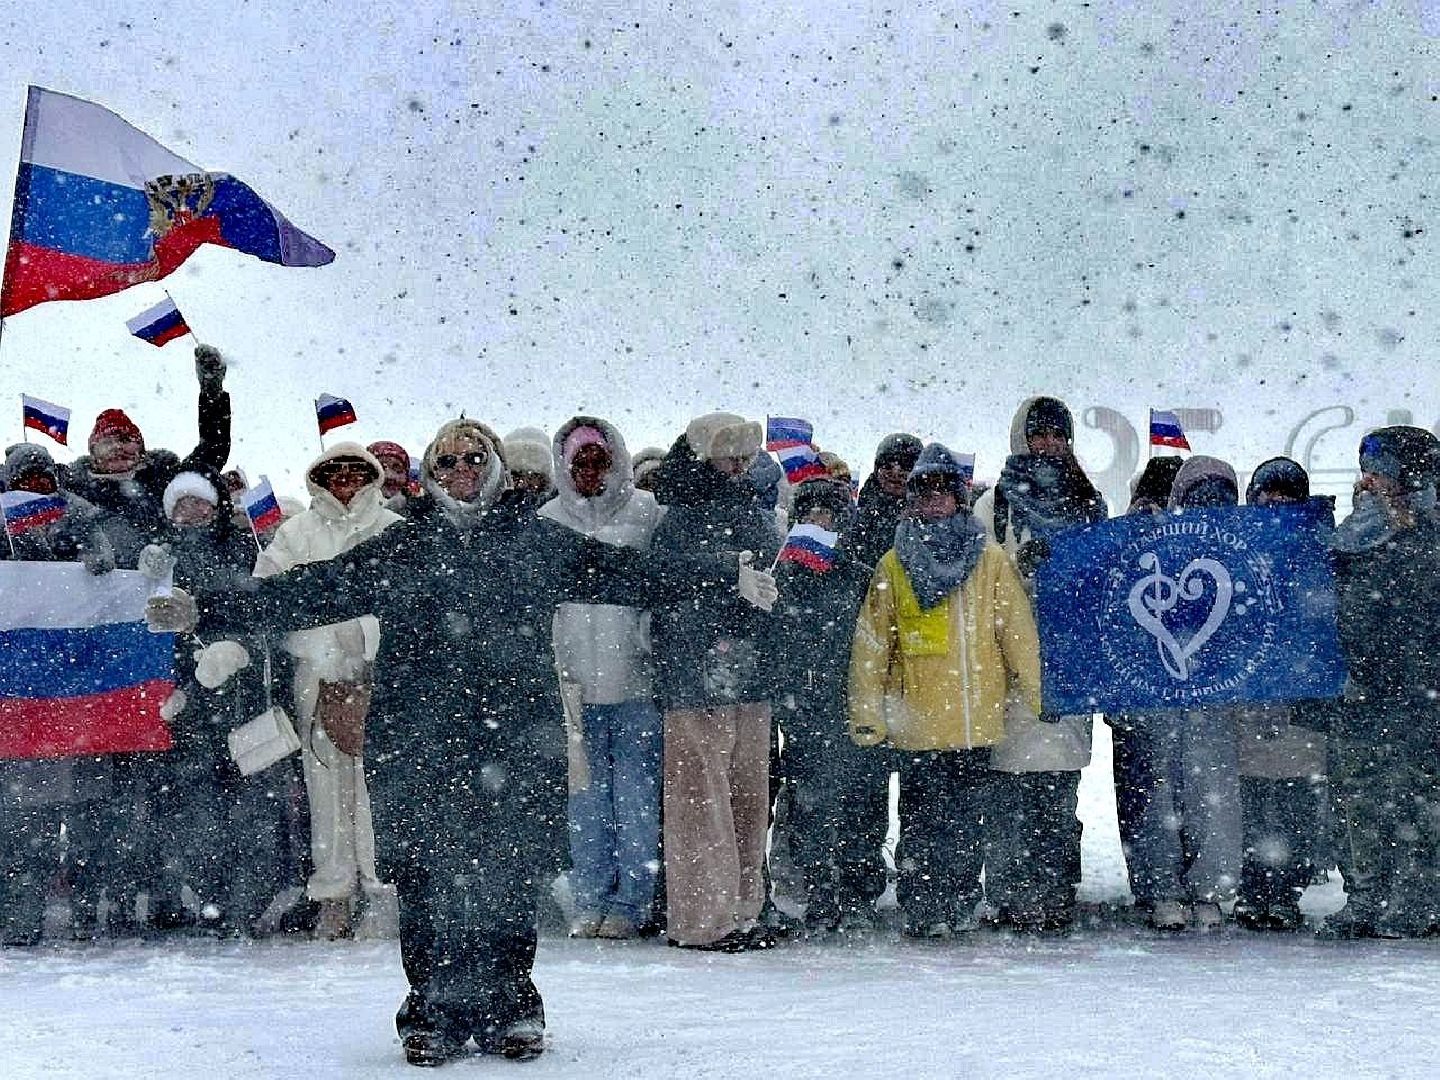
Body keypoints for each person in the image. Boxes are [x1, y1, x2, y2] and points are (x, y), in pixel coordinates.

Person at [146, 416, 774, 1066]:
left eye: (474, 458)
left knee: (507, 874)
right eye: (445, 463)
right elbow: (314, 589)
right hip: (420, 739)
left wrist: (726, 575)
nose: (461, 472)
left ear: (497, 466)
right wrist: (208, 608)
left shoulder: (533, 540)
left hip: (515, 737)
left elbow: (630, 574)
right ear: (428, 476)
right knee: (425, 877)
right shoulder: (405, 545)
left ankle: (512, 1004)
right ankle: (430, 1009)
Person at [61, 343, 232, 934]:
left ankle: (167, 893)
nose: (123, 448)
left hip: (165, 662)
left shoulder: (164, 486)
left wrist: (211, 393)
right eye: (110, 440)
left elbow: (209, 459)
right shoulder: (66, 496)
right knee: (103, 794)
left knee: (169, 787)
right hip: (97, 670)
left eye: (129, 439)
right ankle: (98, 898)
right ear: (91, 450)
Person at [848, 443, 1042, 938]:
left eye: (943, 491)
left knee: (965, 820)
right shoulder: (893, 563)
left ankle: (955, 901)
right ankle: (923, 904)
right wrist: (868, 709)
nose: (935, 501)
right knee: (920, 820)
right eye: (925, 492)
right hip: (917, 719)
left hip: (974, 718)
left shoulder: (991, 560)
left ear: (958, 497)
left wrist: (1040, 694)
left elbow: (1016, 631)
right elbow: (873, 644)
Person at [138, 466, 299, 936]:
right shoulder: (159, 559)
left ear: (215, 505)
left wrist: (243, 650)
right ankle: (212, 901)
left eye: (199, 501)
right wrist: (181, 686)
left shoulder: (246, 545)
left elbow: (269, 608)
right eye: (180, 504)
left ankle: (249, 903)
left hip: (248, 700)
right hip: (192, 711)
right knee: (199, 811)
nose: (191, 511)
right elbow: (150, 633)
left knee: (256, 808)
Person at [649, 412, 784, 952]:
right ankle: (705, 917)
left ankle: (746, 907)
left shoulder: (754, 508)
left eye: (747, 452)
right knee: (699, 800)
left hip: (750, 673)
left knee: (748, 795)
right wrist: (726, 583)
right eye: (730, 451)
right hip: (693, 675)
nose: (740, 461)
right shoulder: (676, 515)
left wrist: (772, 599)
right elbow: (664, 583)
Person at [254, 443, 400, 940]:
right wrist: (319, 641)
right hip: (317, 677)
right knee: (325, 791)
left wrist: (367, 645)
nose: (346, 482)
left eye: (356, 473)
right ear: (320, 479)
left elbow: (407, 609)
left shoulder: (392, 531)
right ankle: (333, 893)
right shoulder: (296, 533)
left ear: (371, 478)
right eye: (335, 473)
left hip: (380, 679)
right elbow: (269, 594)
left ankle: (382, 892)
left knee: (376, 787)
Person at [974, 396, 1106, 932]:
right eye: (1038, 435)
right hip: (1007, 664)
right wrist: (1015, 571)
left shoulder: (1087, 503)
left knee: (1055, 786)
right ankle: (1009, 891)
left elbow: (1104, 577)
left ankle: (1053, 888)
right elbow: (975, 577)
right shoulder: (995, 506)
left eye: (1057, 436)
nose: (1047, 445)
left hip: (1064, 661)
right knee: (1009, 788)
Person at [538, 417, 665, 940]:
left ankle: (632, 899)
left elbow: (663, 587)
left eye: (599, 460)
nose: (590, 471)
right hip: (573, 687)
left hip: (634, 682)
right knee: (584, 799)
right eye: (579, 462)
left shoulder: (648, 513)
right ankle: (589, 896)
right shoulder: (545, 520)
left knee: (635, 798)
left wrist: (648, 639)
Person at [1115, 456, 1245, 931]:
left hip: (1215, 696)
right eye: (1198, 499)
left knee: (1212, 793)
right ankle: (1162, 887)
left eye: (1220, 499)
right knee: (1159, 791)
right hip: (1158, 690)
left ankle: (1210, 888)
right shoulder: (1152, 545)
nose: (1209, 510)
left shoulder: (1244, 553)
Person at [1323, 426, 1440, 939]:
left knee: (1419, 795)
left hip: (1419, 690)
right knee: (1361, 794)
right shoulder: (1355, 530)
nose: (1369, 478)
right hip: (1363, 690)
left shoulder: (1429, 530)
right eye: (1366, 465)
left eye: (1382, 466)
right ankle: (1368, 896)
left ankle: (1419, 898)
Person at [761, 477, 888, 934]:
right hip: (806, 711)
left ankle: (859, 890)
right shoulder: (783, 576)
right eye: (809, 515)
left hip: (854, 707)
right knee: (811, 807)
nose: (818, 524)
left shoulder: (859, 576)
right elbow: (774, 644)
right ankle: (820, 891)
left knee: (863, 805)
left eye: (827, 516)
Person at [0, 444, 115, 945]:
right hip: (24, 703)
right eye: (25, 480)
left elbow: (120, 591)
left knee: (90, 816)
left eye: (44, 480)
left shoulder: (86, 522)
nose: (35, 490)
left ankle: (93, 911)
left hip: (82, 697)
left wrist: (107, 563)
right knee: (26, 823)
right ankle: (19, 914)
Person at [1232, 457, 1332, 932]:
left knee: (1294, 800)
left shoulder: (1319, 546)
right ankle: (1254, 887)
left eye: (1285, 494)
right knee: (1252, 799)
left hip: (1298, 694)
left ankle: (1286, 890)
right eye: (1266, 493)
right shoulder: (1235, 545)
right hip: (1252, 695)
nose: (1275, 503)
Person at [1107, 455, 1184, 918]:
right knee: (1146, 790)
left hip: (1158, 692)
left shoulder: (1203, 544)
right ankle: (1154, 883)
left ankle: (1161, 882)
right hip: (1140, 692)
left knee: (1161, 791)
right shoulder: (1123, 542)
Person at [844, 433, 923, 569]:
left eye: (906, 465)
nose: (896, 471)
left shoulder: (930, 515)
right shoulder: (854, 510)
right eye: (887, 464)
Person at [503, 426, 555, 505]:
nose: (523, 484)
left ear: (544, 479)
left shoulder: (558, 512)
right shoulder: (487, 508)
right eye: (516, 475)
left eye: (532, 476)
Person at [368, 440, 417, 514]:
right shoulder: (350, 511)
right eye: (381, 467)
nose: (390, 476)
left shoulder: (421, 511)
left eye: (397, 468)